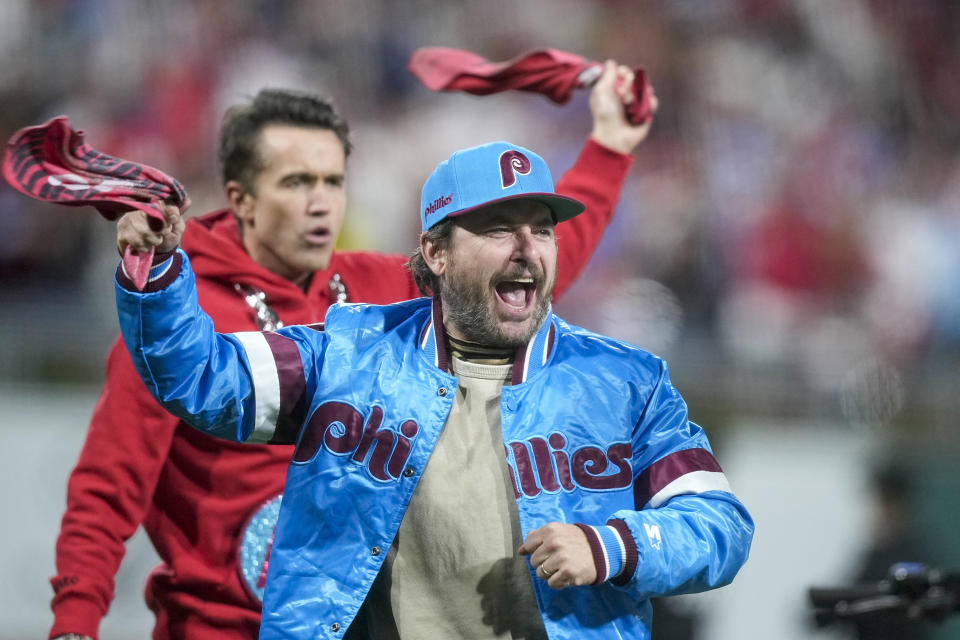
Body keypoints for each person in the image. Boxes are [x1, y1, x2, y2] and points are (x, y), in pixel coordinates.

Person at [49, 61, 656, 640]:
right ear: (241, 200)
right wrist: (75, 620)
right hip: (218, 628)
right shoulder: (179, 322)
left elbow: (507, 273)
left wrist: (608, 148)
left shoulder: (378, 295)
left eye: (333, 181)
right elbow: (107, 490)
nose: (321, 202)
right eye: (296, 182)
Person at [111, 139, 754, 639]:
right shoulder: (348, 354)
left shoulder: (625, 384)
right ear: (436, 253)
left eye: (544, 228)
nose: (529, 249)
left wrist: (612, 543)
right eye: (500, 228)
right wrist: (157, 268)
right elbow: (200, 379)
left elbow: (721, 527)